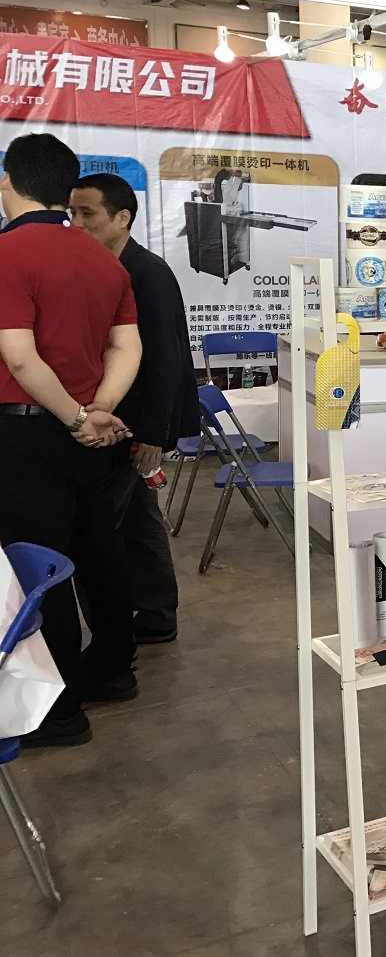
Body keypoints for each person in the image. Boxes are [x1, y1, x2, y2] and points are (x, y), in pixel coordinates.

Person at [0, 133, 142, 747]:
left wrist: (74, 416)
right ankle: (113, 669)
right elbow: (126, 346)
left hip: (30, 433)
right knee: (98, 551)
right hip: (91, 439)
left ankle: (58, 712)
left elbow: (19, 356)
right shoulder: (103, 258)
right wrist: (98, 410)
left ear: (9, 182)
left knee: (39, 567)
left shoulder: (8, 253)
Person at [71, 173, 199, 646]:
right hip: (115, 420)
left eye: (88, 214)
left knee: (100, 526)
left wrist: (152, 435)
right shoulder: (101, 268)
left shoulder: (146, 273)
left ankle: (117, 631)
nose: (76, 223)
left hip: (132, 424)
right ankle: (155, 614)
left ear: (122, 217)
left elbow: (165, 360)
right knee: (140, 521)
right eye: (72, 213)